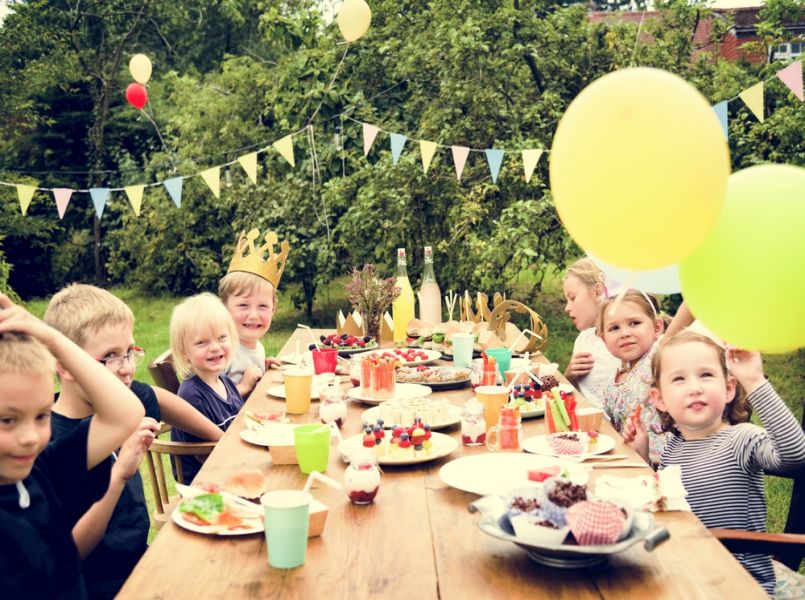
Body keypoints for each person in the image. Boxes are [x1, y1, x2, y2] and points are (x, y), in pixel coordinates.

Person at [43, 284, 224, 599]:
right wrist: (118, 477)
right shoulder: (46, 440)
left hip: (144, 562)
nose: (126, 368)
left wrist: (223, 441)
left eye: (129, 352)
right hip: (98, 588)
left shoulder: (129, 396)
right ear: (65, 365)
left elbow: (159, 398)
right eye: (109, 356)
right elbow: (69, 555)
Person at [624, 331, 805, 595]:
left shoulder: (742, 440)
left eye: (706, 375)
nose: (694, 387)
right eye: (679, 379)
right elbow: (669, 505)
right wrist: (643, 456)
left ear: (729, 388)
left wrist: (754, 381)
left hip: (737, 582)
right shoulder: (674, 448)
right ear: (660, 399)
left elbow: (795, 454)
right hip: (684, 571)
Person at [0, 293, 144, 598]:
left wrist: (51, 340)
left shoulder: (39, 470)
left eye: (41, 416)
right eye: (7, 421)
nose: (30, 437)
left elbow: (127, 415)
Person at [169, 293, 245, 482]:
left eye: (221, 338)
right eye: (202, 342)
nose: (215, 347)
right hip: (204, 485)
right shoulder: (192, 396)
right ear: (185, 352)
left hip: (231, 467)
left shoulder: (225, 382)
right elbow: (203, 456)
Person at [597, 289, 670, 463]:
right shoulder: (614, 380)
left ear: (657, 328)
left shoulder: (657, 359)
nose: (624, 333)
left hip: (663, 465)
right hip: (629, 461)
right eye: (614, 328)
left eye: (634, 323)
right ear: (603, 339)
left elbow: (688, 310)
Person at [220, 228, 290, 397]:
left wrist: (263, 372)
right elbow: (211, 402)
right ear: (224, 308)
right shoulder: (221, 352)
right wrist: (243, 386)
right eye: (243, 305)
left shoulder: (257, 347)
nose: (253, 315)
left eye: (263, 306)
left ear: (273, 309)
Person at [562, 258, 620, 409]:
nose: (567, 308)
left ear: (597, 292)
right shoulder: (583, 340)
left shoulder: (623, 341)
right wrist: (569, 376)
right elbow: (578, 394)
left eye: (572, 298)